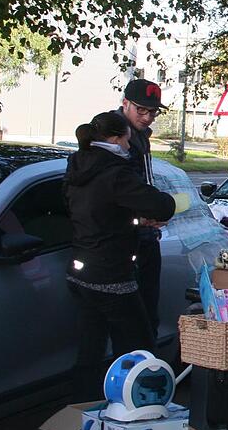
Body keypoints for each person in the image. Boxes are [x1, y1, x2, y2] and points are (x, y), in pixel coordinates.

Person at [64, 112, 176, 401]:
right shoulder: (116, 172)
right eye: (127, 141)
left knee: (91, 345)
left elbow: (99, 210)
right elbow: (160, 204)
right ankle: (140, 406)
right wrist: (161, 208)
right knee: (139, 346)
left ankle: (83, 408)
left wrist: (133, 217)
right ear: (115, 139)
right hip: (110, 273)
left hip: (80, 269)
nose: (129, 147)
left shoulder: (78, 164)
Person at [112, 78, 169, 337]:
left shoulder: (140, 135)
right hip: (126, 240)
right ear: (125, 104)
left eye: (153, 112)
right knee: (133, 323)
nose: (147, 117)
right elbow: (118, 191)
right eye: (141, 110)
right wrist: (143, 215)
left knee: (148, 315)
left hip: (146, 236)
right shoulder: (113, 135)